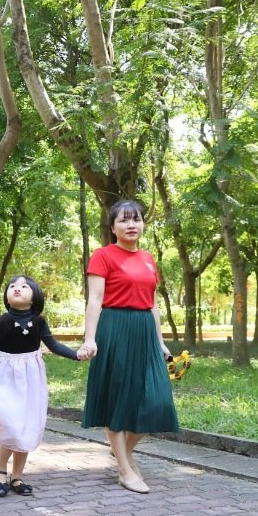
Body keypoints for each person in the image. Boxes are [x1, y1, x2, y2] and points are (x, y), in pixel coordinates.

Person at [81, 199, 179, 494]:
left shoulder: (148, 258)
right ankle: (125, 470)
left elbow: (152, 303)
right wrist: (90, 338)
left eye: (136, 219)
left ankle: (121, 450)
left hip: (144, 332)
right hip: (114, 329)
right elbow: (95, 300)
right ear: (113, 227)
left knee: (158, 401)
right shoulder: (103, 255)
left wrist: (160, 342)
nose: (131, 224)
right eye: (123, 220)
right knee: (117, 400)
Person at [0, 275, 91, 497]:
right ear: (7, 295)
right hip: (5, 378)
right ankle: (0, 467)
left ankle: (17, 476)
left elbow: (53, 345)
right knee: (11, 425)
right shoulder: (0, 323)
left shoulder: (39, 322)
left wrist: (76, 355)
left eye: (24, 286)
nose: (17, 289)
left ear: (35, 296)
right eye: (12, 286)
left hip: (32, 379)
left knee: (27, 426)